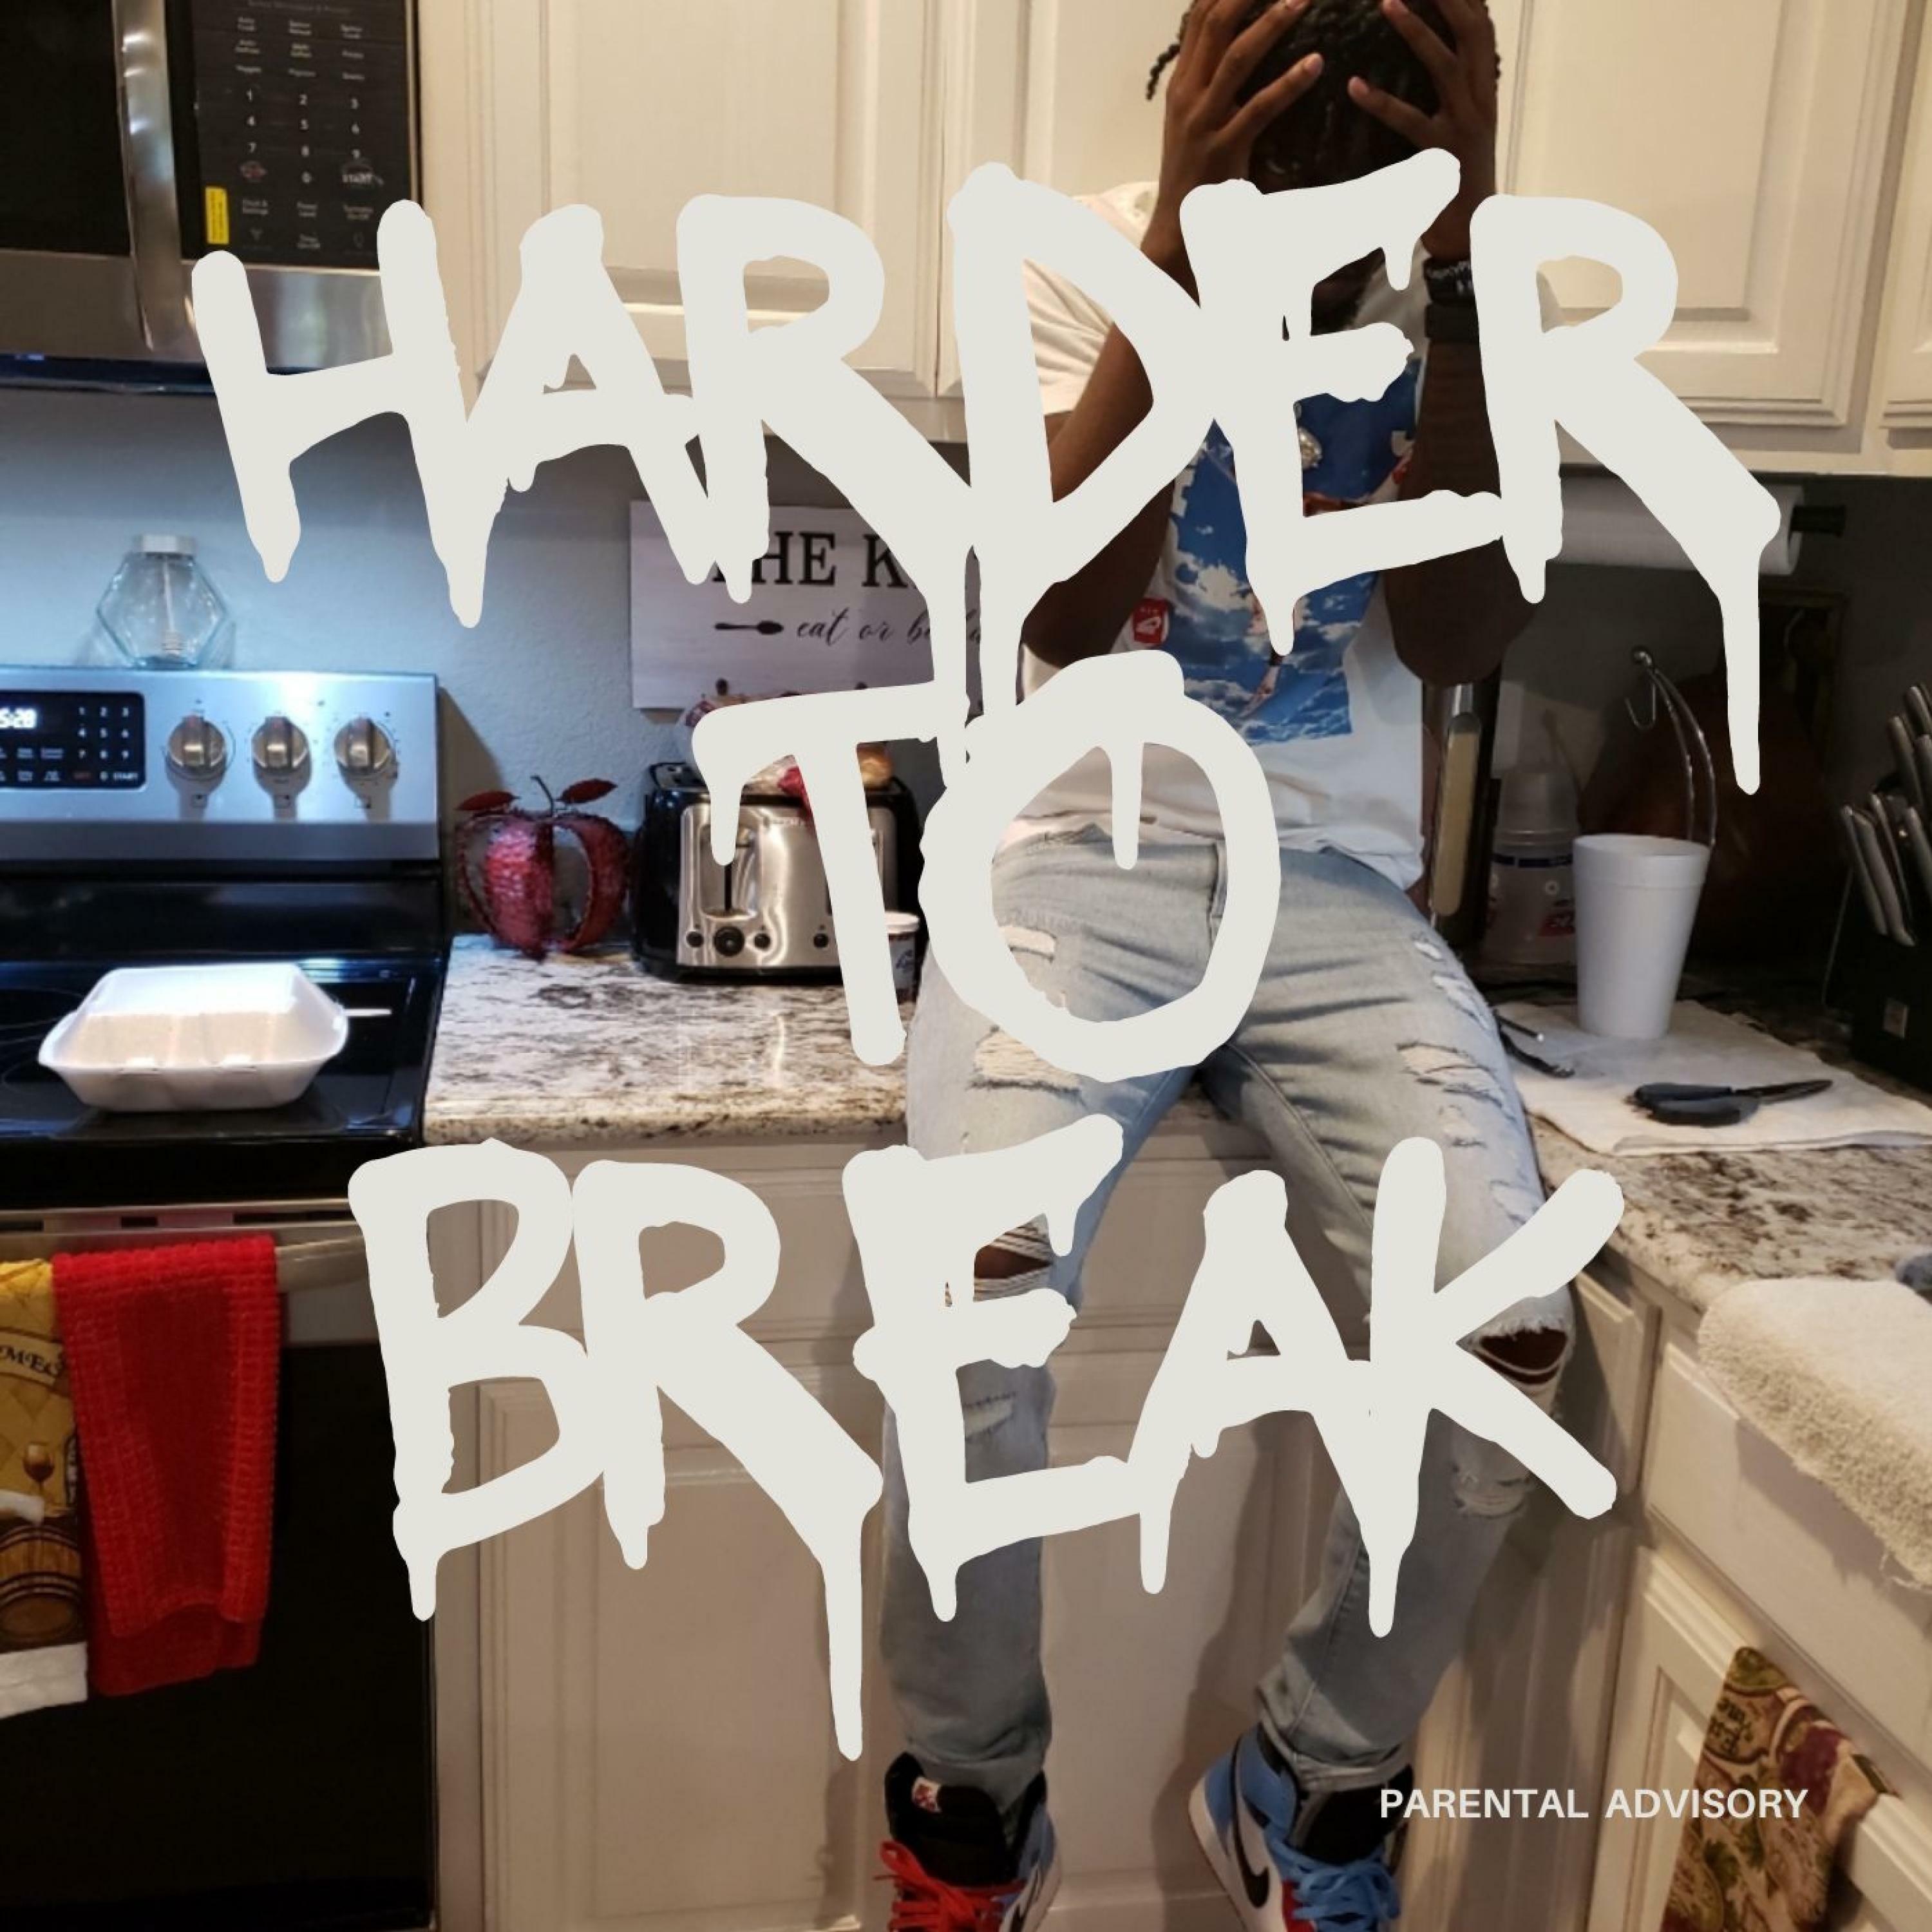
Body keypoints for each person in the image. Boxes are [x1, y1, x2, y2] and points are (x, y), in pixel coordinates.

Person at [878, 3, 1569, 1928]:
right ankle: (966, 1813)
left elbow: (1464, 633)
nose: (1317, 147)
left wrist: (1465, 261)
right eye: (1275, 97)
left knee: (1506, 1337)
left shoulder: (1465, 304)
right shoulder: (1063, 253)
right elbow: (1057, 603)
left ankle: (1308, 1788)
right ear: (1191, 78)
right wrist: (1185, 247)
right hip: (1074, 858)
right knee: (969, 1303)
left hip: (1333, 890)